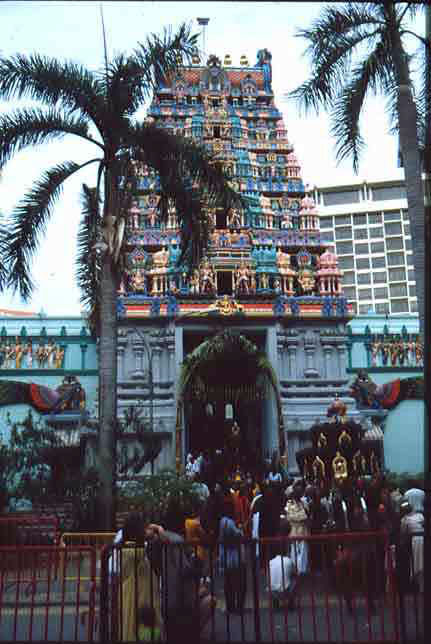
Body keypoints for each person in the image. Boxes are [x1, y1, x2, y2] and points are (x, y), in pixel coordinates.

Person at [218, 497, 247, 614]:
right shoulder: (228, 523)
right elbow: (238, 535)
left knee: (229, 583)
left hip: (226, 557)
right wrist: (241, 530)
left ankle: (231, 606)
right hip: (235, 557)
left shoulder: (222, 521)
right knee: (239, 584)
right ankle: (238, 607)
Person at [268, 523, 297, 610]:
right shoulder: (289, 561)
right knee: (295, 578)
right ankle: (291, 602)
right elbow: (295, 573)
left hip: (272, 591)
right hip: (285, 591)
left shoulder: (270, 562)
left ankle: (275, 602)